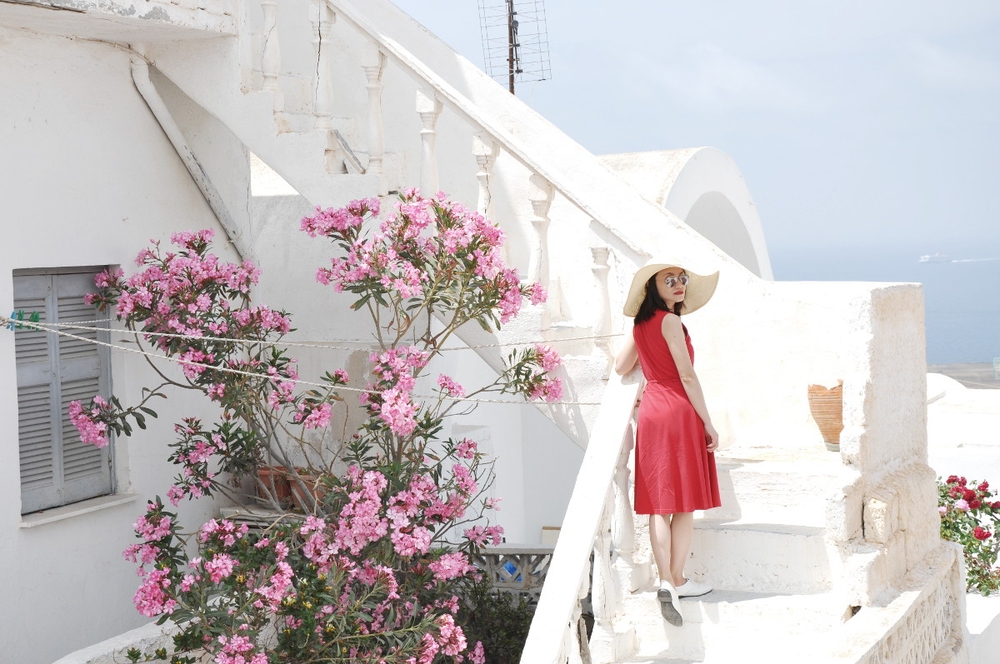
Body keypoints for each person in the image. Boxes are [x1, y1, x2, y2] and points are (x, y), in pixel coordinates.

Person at [615, 259, 722, 627]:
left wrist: (648, 366)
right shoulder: (671, 321)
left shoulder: (640, 324)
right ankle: (677, 579)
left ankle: (665, 581)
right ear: (653, 289)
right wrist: (708, 422)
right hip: (678, 410)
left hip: (652, 413)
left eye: (681, 279)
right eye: (669, 280)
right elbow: (687, 377)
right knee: (685, 502)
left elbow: (620, 366)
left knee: (660, 503)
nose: (678, 285)